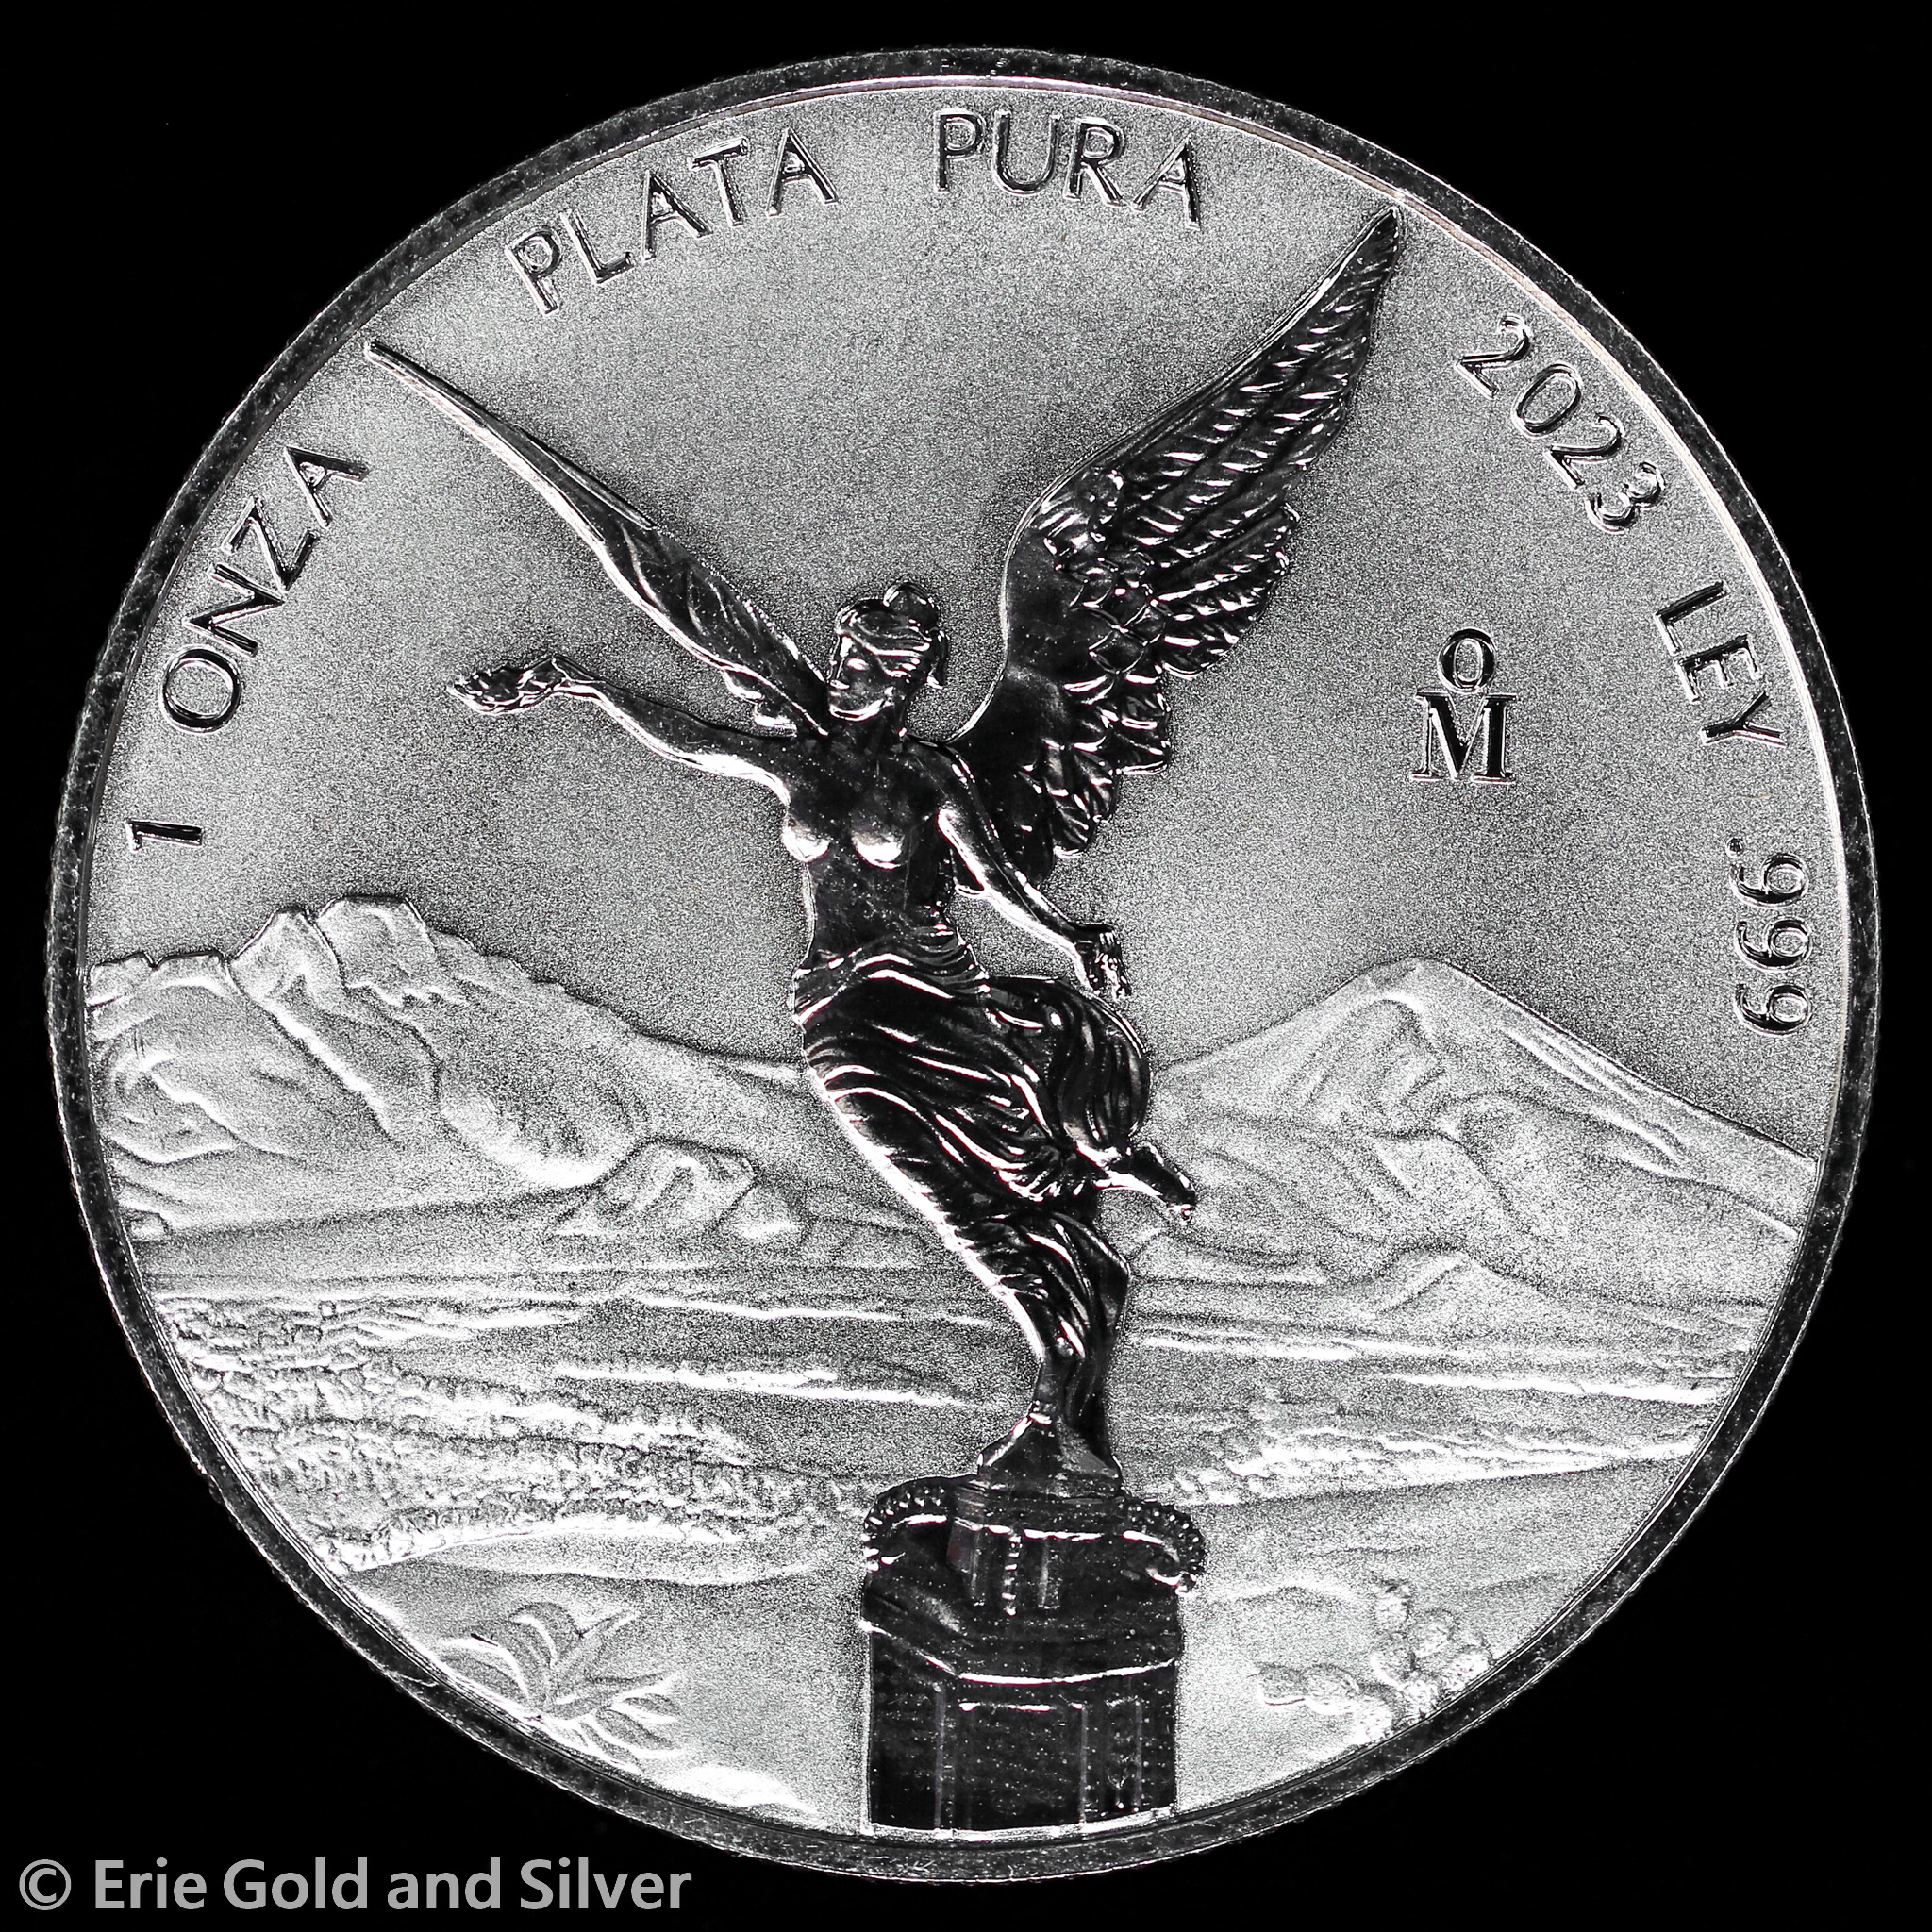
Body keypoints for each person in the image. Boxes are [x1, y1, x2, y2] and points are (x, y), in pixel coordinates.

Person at [456, 581, 1195, 1491]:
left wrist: (1072, 935)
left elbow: (996, 877)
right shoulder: (800, 765)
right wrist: (584, 682)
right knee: (949, 1201)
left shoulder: (929, 776)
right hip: (839, 1018)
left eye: (874, 668)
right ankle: (1074, 1332)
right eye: (848, 659)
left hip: (934, 996)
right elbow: (692, 738)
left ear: (908, 681)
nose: (849, 678)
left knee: (987, 1207)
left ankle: (1066, 1413)